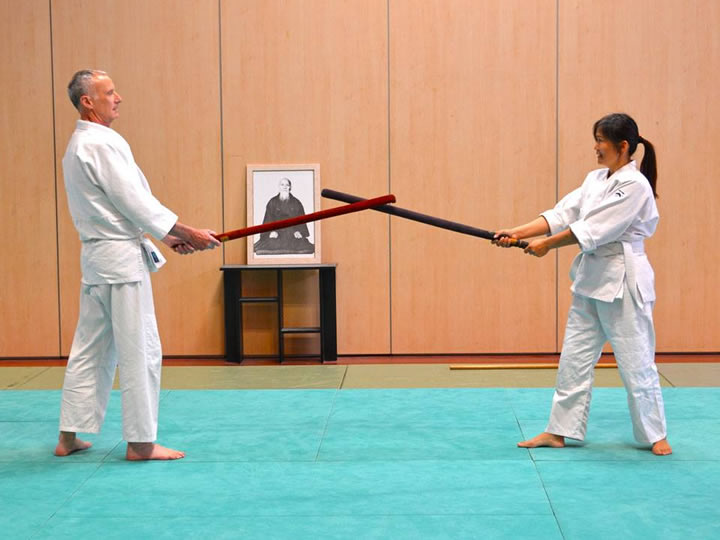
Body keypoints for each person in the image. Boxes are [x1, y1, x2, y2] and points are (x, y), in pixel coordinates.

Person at [54, 70, 221, 461]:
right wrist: (185, 230)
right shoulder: (98, 144)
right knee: (140, 349)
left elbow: (121, 206)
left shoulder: (80, 145)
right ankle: (141, 443)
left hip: (98, 259)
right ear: (87, 102)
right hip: (120, 264)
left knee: (89, 349)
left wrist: (167, 236)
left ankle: (67, 436)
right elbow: (133, 201)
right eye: (109, 92)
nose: (119, 98)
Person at [493, 113, 672, 456]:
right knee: (574, 359)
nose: (596, 147)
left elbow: (594, 229)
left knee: (636, 361)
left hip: (624, 282)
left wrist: (546, 245)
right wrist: (518, 231)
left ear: (622, 146)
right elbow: (562, 214)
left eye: (601, 140)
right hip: (591, 281)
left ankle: (655, 433)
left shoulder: (635, 186)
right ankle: (559, 430)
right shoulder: (595, 179)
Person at [253, 177, 314, 254]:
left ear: (290, 187)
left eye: (287, 185)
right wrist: (271, 232)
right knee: (270, 242)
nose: (285, 187)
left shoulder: (296, 203)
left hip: (292, 233)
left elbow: (301, 220)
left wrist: (299, 232)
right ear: (279, 187)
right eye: (282, 185)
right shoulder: (272, 202)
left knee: (301, 243)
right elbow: (268, 219)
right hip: (277, 233)